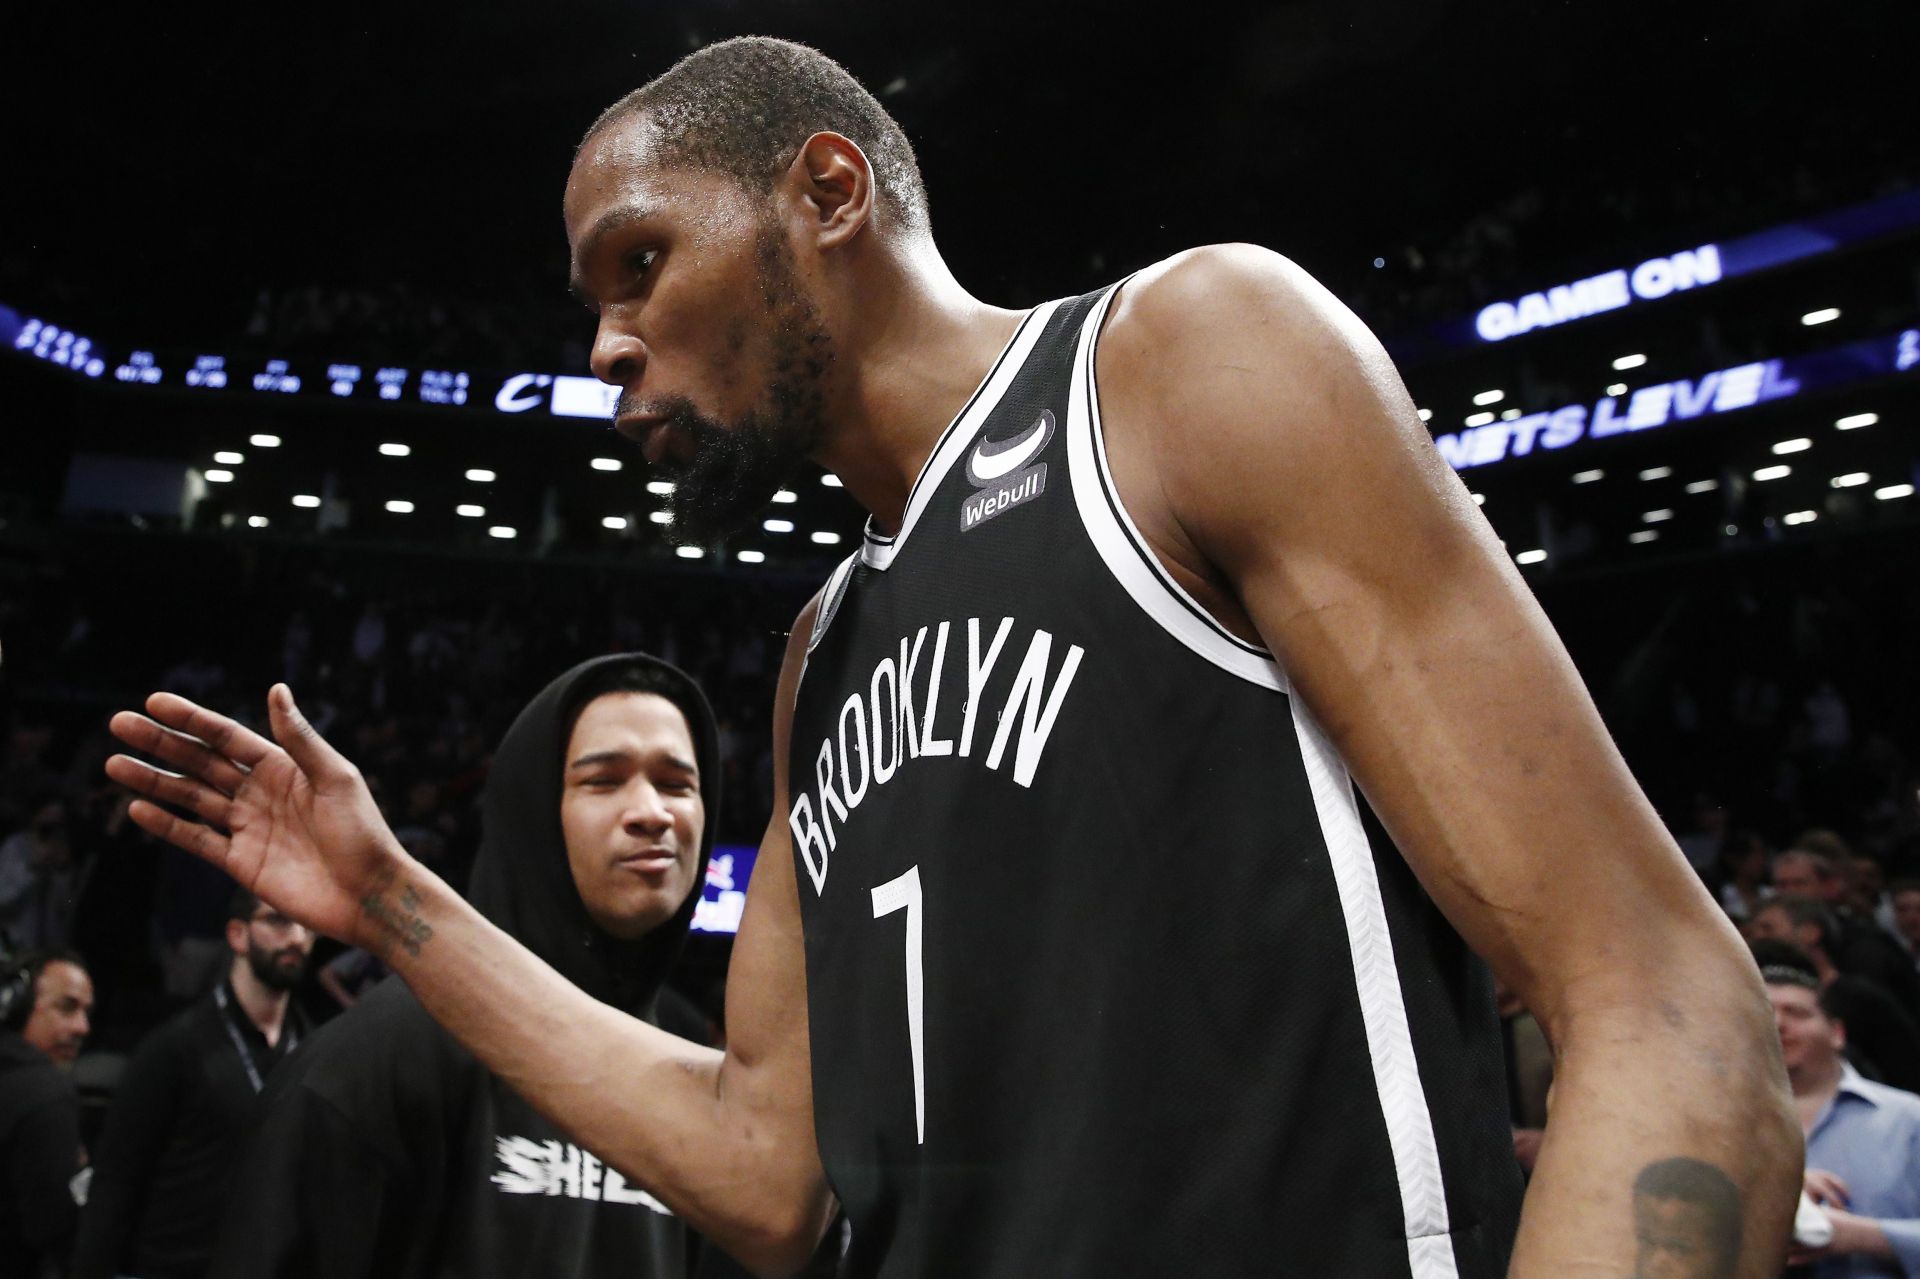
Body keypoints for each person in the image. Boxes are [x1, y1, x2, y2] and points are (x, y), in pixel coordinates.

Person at [103, 36, 1797, 1278]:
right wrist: (390, 888)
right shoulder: (821, 650)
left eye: (640, 260)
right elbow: (766, 1171)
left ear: (827, 187)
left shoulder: (1188, 364)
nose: (608, 338)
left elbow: (1669, 1006)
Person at [204, 654, 718, 1279]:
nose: (652, 812)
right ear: (532, 813)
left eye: (676, 784)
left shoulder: (707, 1076)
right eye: (603, 781)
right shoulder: (377, 1059)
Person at [71, 889, 314, 1279]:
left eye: (306, 925)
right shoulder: (174, 1048)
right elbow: (115, 1185)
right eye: (278, 920)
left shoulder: (312, 1048)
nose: (298, 938)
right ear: (237, 934)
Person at [1763, 964, 1920, 1276]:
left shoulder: (1908, 1119)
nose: (1778, 1023)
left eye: (1796, 1012)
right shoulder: (1711, 1130)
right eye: (1763, 1013)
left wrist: (1863, 1235)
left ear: (1837, 1033)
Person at [0, 948, 92, 1278]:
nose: (83, 1027)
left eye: (86, 1012)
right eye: (66, 1007)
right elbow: (54, 1229)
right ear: (17, 1008)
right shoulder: (45, 1093)